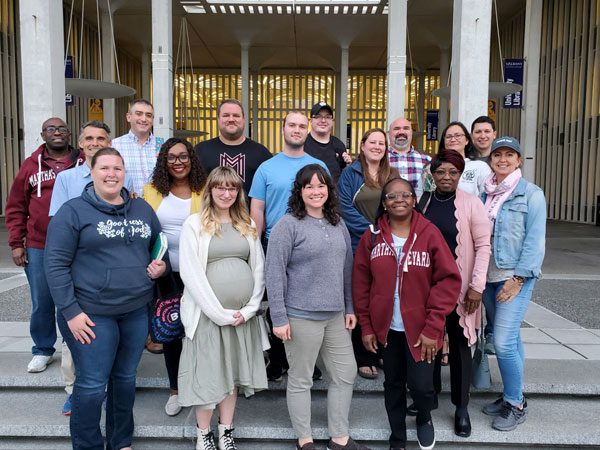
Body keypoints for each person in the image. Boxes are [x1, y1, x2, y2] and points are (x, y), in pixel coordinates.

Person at [44, 147, 167, 450]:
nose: (112, 174)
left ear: (125, 173)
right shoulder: (72, 212)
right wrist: (70, 312)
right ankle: (88, 445)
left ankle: (120, 440)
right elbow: (55, 265)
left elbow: (157, 246)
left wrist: (160, 267)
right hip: (89, 313)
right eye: (105, 168)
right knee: (92, 384)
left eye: (117, 169)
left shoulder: (141, 209)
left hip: (135, 311)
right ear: (92, 171)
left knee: (125, 379)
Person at [352, 177, 461, 450]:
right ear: (384, 204)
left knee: (423, 386)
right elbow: (361, 283)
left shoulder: (430, 233)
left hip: (423, 329)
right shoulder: (372, 236)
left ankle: (424, 417)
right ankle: (397, 437)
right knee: (394, 384)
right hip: (387, 329)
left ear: (414, 200)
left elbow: (448, 281)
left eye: (405, 195)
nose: (398, 199)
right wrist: (366, 326)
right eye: (391, 196)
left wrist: (433, 328)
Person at [266, 164, 370, 450]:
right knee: (301, 378)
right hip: (300, 316)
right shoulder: (287, 225)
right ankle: (305, 438)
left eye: (321, 185)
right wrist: (278, 317)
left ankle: (339, 437)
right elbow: (274, 272)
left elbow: (347, 268)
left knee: (345, 373)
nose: (316, 191)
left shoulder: (338, 223)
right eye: (309, 186)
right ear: (300, 191)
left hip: (335, 316)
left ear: (328, 190)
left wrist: (350, 307)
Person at [178, 166, 267, 450]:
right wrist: (219, 314)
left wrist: (251, 308)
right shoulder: (194, 224)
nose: (226, 193)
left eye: (232, 188)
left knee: (232, 377)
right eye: (220, 187)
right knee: (208, 375)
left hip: (242, 317)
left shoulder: (248, 224)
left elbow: (259, 269)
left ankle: (226, 430)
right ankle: (203, 434)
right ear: (210, 190)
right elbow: (190, 273)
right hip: (207, 316)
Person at [49, 120, 132, 416]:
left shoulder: (120, 179)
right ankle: (74, 392)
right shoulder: (68, 180)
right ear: (81, 144)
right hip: (81, 281)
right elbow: (58, 241)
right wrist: (69, 305)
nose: (95, 142)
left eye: (101, 138)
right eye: (90, 138)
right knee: (78, 353)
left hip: (115, 289)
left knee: (110, 363)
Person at [411, 150, 491, 438]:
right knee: (428, 344)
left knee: (459, 348)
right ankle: (427, 401)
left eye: (453, 172)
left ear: (460, 175)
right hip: (426, 290)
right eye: (441, 172)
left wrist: (476, 286)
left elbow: (483, 246)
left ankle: (461, 408)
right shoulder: (424, 203)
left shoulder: (471, 205)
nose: (446, 177)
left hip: (460, 290)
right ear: (432, 174)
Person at [249, 111, 328, 381]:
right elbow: (257, 209)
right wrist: (255, 244)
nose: (296, 129)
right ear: (282, 129)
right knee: (277, 303)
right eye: (291, 125)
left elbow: (327, 204)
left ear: (307, 130)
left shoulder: (318, 166)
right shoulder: (267, 168)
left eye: (301, 126)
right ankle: (280, 358)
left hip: (312, 243)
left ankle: (305, 359)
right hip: (275, 242)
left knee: (306, 304)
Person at [5, 117, 84, 374]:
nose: (57, 132)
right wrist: (17, 243)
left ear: (69, 133)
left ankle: (72, 345)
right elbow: (16, 206)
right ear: (43, 135)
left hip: (77, 244)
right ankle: (42, 349)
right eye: (51, 129)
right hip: (40, 244)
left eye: (62, 128)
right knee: (42, 299)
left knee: (74, 298)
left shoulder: (84, 162)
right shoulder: (30, 166)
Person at [480, 137, 546, 432]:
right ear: (491, 159)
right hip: (487, 277)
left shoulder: (531, 194)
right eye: (498, 154)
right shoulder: (486, 193)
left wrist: (519, 278)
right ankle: (511, 395)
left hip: (513, 277)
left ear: (519, 160)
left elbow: (535, 242)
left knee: (503, 343)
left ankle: (516, 404)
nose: (503, 159)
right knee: (512, 341)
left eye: (510, 154)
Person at [142, 137, 208, 417]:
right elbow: (144, 233)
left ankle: (203, 385)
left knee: (201, 332)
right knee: (171, 335)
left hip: (202, 272)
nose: (178, 162)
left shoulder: (204, 190)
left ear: (191, 159)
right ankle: (175, 390)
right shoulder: (151, 191)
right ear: (163, 161)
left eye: (183, 156)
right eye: (171, 157)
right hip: (166, 274)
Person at [337, 128, 396, 379]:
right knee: (361, 296)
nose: (377, 146)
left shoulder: (391, 173)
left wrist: (384, 232)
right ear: (362, 145)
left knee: (383, 295)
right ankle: (363, 354)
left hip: (387, 243)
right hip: (357, 243)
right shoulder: (350, 173)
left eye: (381, 143)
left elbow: (398, 202)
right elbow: (343, 207)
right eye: (372, 142)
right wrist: (372, 230)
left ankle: (382, 349)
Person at [194, 99, 272, 196]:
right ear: (218, 119)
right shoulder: (201, 151)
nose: (231, 119)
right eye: (226, 115)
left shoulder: (261, 153)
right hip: (210, 211)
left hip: (248, 211)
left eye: (236, 115)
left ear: (244, 119)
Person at [112, 98, 164, 195]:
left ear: (152, 120)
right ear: (129, 117)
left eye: (148, 115)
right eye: (139, 114)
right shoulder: (115, 146)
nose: (144, 119)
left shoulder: (162, 145)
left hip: (159, 205)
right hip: (128, 205)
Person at [437, 121, 491, 197]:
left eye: (458, 135)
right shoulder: (433, 166)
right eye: (448, 137)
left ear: (467, 140)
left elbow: (487, 197)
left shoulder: (480, 166)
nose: (453, 139)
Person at [304, 102, 352, 183]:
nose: (323, 120)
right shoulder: (302, 144)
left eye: (327, 117)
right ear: (310, 121)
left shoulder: (338, 144)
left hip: (334, 194)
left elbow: (343, 174)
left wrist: (349, 165)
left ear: (332, 121)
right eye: (318, 116)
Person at [387, 117, 431, 198]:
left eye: (406, 128)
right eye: (396, 129)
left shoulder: (427, 161)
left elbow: (430, 191)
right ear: (389, 134)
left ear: (411, 133)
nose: (401, 132)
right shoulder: (379, 159)